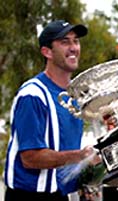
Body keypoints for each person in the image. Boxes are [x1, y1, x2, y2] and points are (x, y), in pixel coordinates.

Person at [4, 20, 100, 201]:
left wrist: (84, 181)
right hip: (28, 196)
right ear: (47, 52)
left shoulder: (75, 94)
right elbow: (30, 158)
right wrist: (81, 156)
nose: (73, 48)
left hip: (60, 194)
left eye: (76, 41)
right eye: (65, 42)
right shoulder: (33, 95)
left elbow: (65, 147)